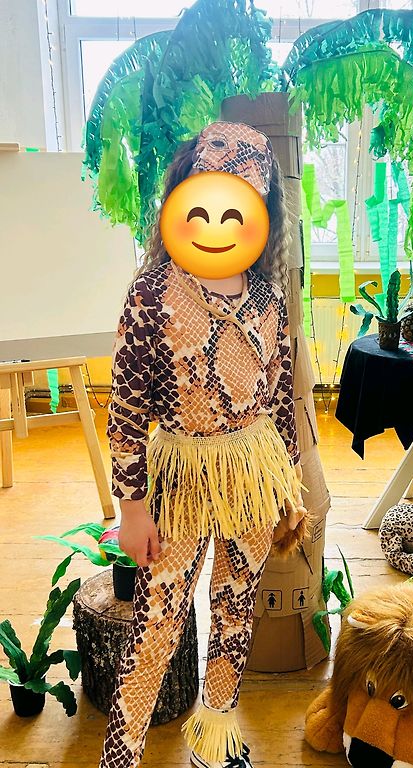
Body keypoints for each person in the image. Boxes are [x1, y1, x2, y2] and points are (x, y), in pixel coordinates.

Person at [100, 122, 306, 768]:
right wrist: (133, 508)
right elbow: (126, 408)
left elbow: (279, 399)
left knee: (235, 609)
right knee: (157, 621)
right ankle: (122, 753)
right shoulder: (153, 296)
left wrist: (288, 487)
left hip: (252, 475)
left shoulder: (269, 297)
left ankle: (213, 739)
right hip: (181, 479)